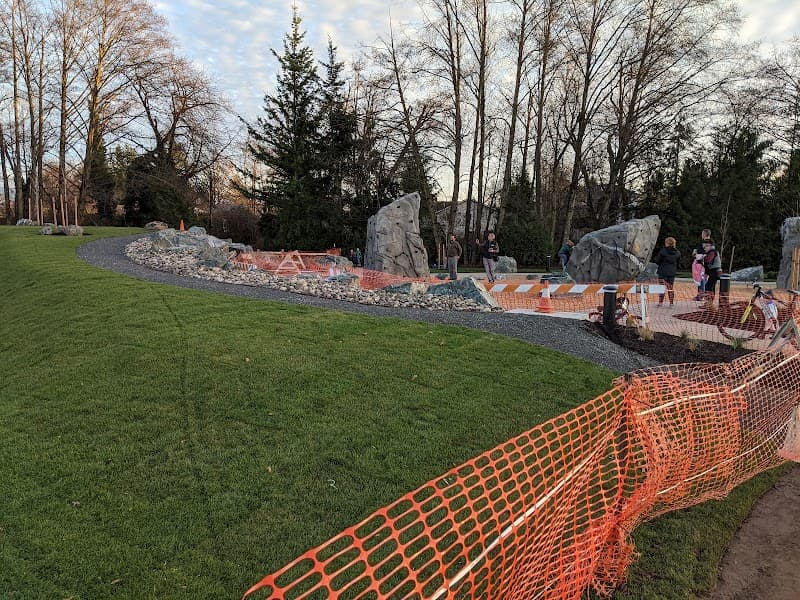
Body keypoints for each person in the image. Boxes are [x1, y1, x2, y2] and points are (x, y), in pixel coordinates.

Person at [654, 237, 681, 306]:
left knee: (661, 288)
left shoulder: (663, 251)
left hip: (662, 272)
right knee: (670, 288)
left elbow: (657, 261)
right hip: (672, 272)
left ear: (667, 243)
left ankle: (660, 303)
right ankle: (671, 303)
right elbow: (678, 263)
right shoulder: (677, 252)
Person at [701, 239, 722, 305]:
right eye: (704, 247)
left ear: (711, 246)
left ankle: (709, 303)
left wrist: (702, 257)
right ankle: (709, 302)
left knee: (709, 287)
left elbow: (708, 260)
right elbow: (707, 265)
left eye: (706, 246)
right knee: (709, 286)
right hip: (712, 272)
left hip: (715, 272)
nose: (705, 248)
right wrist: (706, 273)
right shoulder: (710, 252)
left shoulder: (712, 252)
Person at [693, 229, 712, 300]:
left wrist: (696, 254)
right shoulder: (710, 242)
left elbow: (705, 253)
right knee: (703, 279)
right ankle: (701, 295)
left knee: (701, 279)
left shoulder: (706, 242)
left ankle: (701, 296)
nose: (701, 235)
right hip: (705, 263)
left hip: (703, 263)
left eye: (702, 234)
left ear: (704, 234)